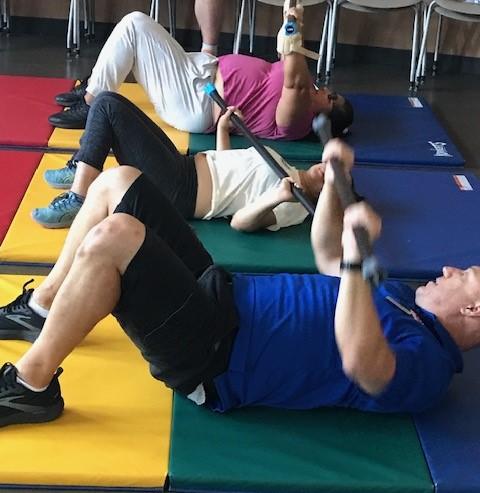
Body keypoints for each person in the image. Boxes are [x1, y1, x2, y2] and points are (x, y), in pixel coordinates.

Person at [0, 139, 475, 428]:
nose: (451, 270)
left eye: (468, 277)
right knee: (118, 182)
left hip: (215, 354)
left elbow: (363, 365)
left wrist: (356, 261)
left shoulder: (428, 367)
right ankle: (42, 307)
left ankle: (31, 386)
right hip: (218, 291)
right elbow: (328, 253)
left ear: (474, 311)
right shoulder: (397, 298)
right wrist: (335, 182)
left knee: (116, 237)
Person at [48, 9, 353, 142]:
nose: (328, 90)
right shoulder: (303, 93)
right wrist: (292, 25)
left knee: (134, 25)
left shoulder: (297, 122)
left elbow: (294, 79)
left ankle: (92, 101)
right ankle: (95, 88)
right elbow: (289, 66)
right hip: (197, 71)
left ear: (326, 114)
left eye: (332, 97)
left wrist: (292, 27)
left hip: (196, 99)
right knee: (136, 31)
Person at [34, 92, 325, 229]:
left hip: (180, 191)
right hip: (184, 166)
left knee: (108, 107)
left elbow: (240, 222)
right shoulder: (285, 166)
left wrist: (276, 197)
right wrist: (224, 128)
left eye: (337, 176)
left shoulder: (297, 206)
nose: (330, 167)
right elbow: (228, 169)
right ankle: (82, 168)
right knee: (111, 101)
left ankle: (79, 196)